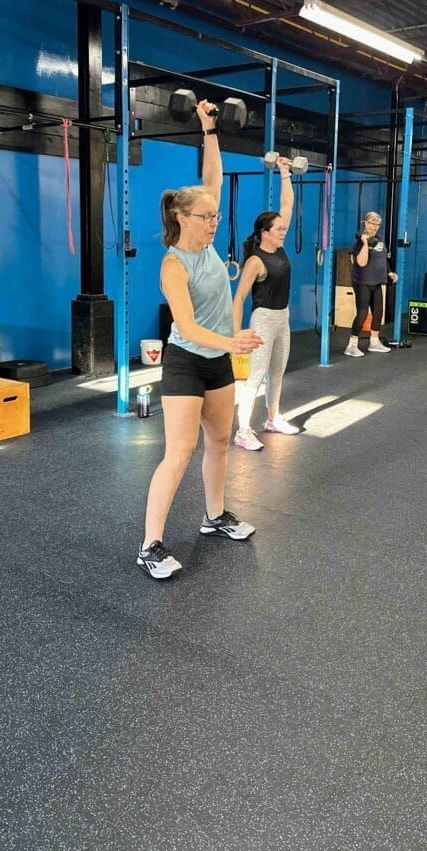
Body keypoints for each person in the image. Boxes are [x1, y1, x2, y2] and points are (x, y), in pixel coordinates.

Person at [138, 100, 263, 581]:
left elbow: (213, 174)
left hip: (217, 362)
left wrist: (208, 128)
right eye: (206, 216)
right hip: (187, 361)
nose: (214, 221)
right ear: (182, 217)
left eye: (215, 215)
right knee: (179, 451)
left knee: (220, 442)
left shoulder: (207, 243)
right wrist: (232, 343)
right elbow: (186, 327)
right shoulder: (174, 264)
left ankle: (214, 516)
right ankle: (150, 544)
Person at [232, 156, 299, 451]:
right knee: (254, 378)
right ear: (264, 233)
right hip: (262, 322)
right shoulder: (256, 261)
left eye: (283, 229)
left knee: (277, 373)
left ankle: (272, 419)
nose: (283, 231)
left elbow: (287, 204)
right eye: (279, 229)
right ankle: (243, 430)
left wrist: (285, 172)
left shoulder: (280, 248)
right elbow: (238, 299)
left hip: (283, 318)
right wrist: (237, 335)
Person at [344, 211, 398, 357]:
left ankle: (374, 342)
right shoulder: (359, 242)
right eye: (372, 224)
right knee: (362, 313)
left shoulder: (381, 238)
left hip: (377, 280)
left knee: (378, 313)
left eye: (377, 225)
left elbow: (382, 259)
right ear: (365, 224)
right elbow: (361, 262)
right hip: (363, 282)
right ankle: (352, 345)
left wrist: (389, 272)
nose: (374, 227)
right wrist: (366, 243)